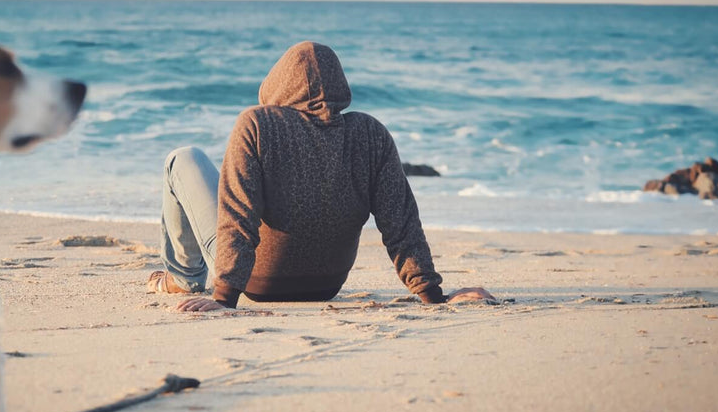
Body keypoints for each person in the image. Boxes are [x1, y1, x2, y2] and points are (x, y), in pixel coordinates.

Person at [149, 41, 493, 312]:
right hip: (328, 284)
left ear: (278, 84)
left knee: (183, 159)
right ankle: (190, 277)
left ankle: (183, 277)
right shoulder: (370, 132)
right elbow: (401, 222)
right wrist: (433, 295)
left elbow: (238, 216)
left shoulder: (257, 124)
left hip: (258, 283)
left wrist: (224, 297)